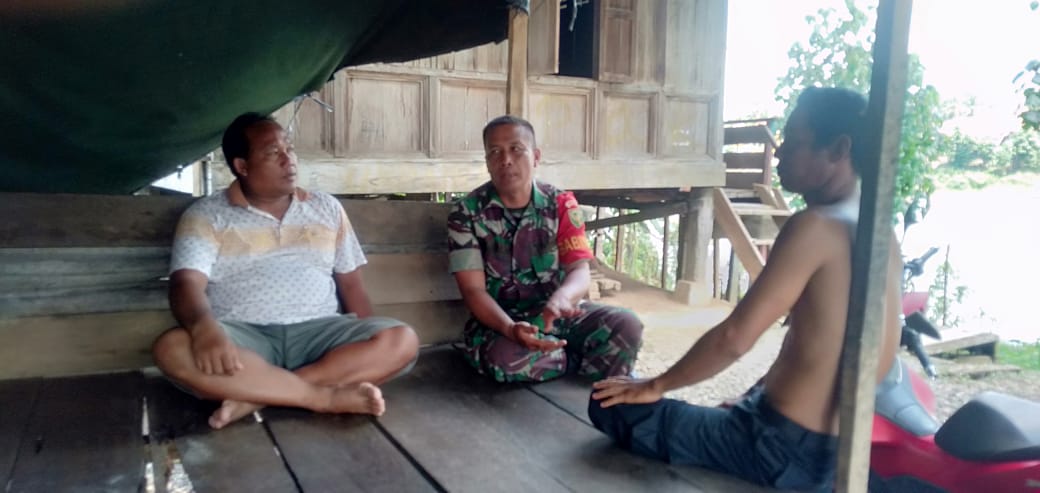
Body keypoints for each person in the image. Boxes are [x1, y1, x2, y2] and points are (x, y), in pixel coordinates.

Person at [588, 87, 904, 492]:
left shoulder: (815, 226)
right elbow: (820, 345)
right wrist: (754, 393)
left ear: (839, 149)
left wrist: (654, 386)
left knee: (607, 402)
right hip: (840, 450)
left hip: (777, 448)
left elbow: (734, 339)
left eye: (795, 141)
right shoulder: (881, 232)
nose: (780, 152)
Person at [152, 113, 419, 429]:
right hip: (244, 338)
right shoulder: (207, 215)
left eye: (289, 148)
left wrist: (364, 345)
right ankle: (320, 397)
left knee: (402, 340)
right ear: (242, 166)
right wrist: (203, 329)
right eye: (272, 152)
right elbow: (186, 282)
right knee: (172, 349)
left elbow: (351, 285)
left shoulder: (326, 207)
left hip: (320, 334)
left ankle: (259, 395)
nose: (288, 159)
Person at [447, 115, 644, 383]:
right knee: (505, 360)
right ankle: (579, 361)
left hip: (557, 315)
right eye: (495, 152)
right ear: (488, 162)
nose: (506, 160)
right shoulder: (466, 214)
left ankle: (556, 358)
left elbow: (579, 270)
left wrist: (563, 297)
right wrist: (510, 328)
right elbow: (473, 291)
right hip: (501, 325)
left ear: (536, 157)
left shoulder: (561, 204)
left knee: (626, 324)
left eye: (516, 149)